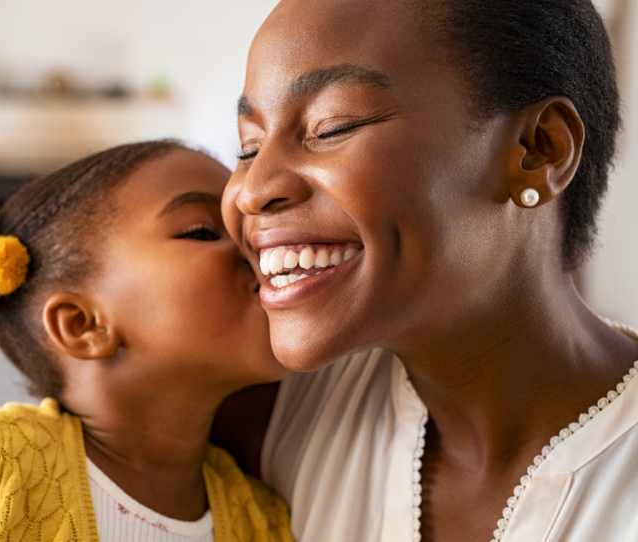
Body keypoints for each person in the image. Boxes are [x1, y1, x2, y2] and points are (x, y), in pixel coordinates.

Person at [213, 0, 638, 541]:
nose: (251, 191)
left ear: (539, 150)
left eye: (332, 126)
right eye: (248, 147)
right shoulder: (269, 418)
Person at [0, 140, 293, 542]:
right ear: (82, 325)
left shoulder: (260, 520)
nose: (258, 244)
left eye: (247, 226)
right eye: (202, 231)